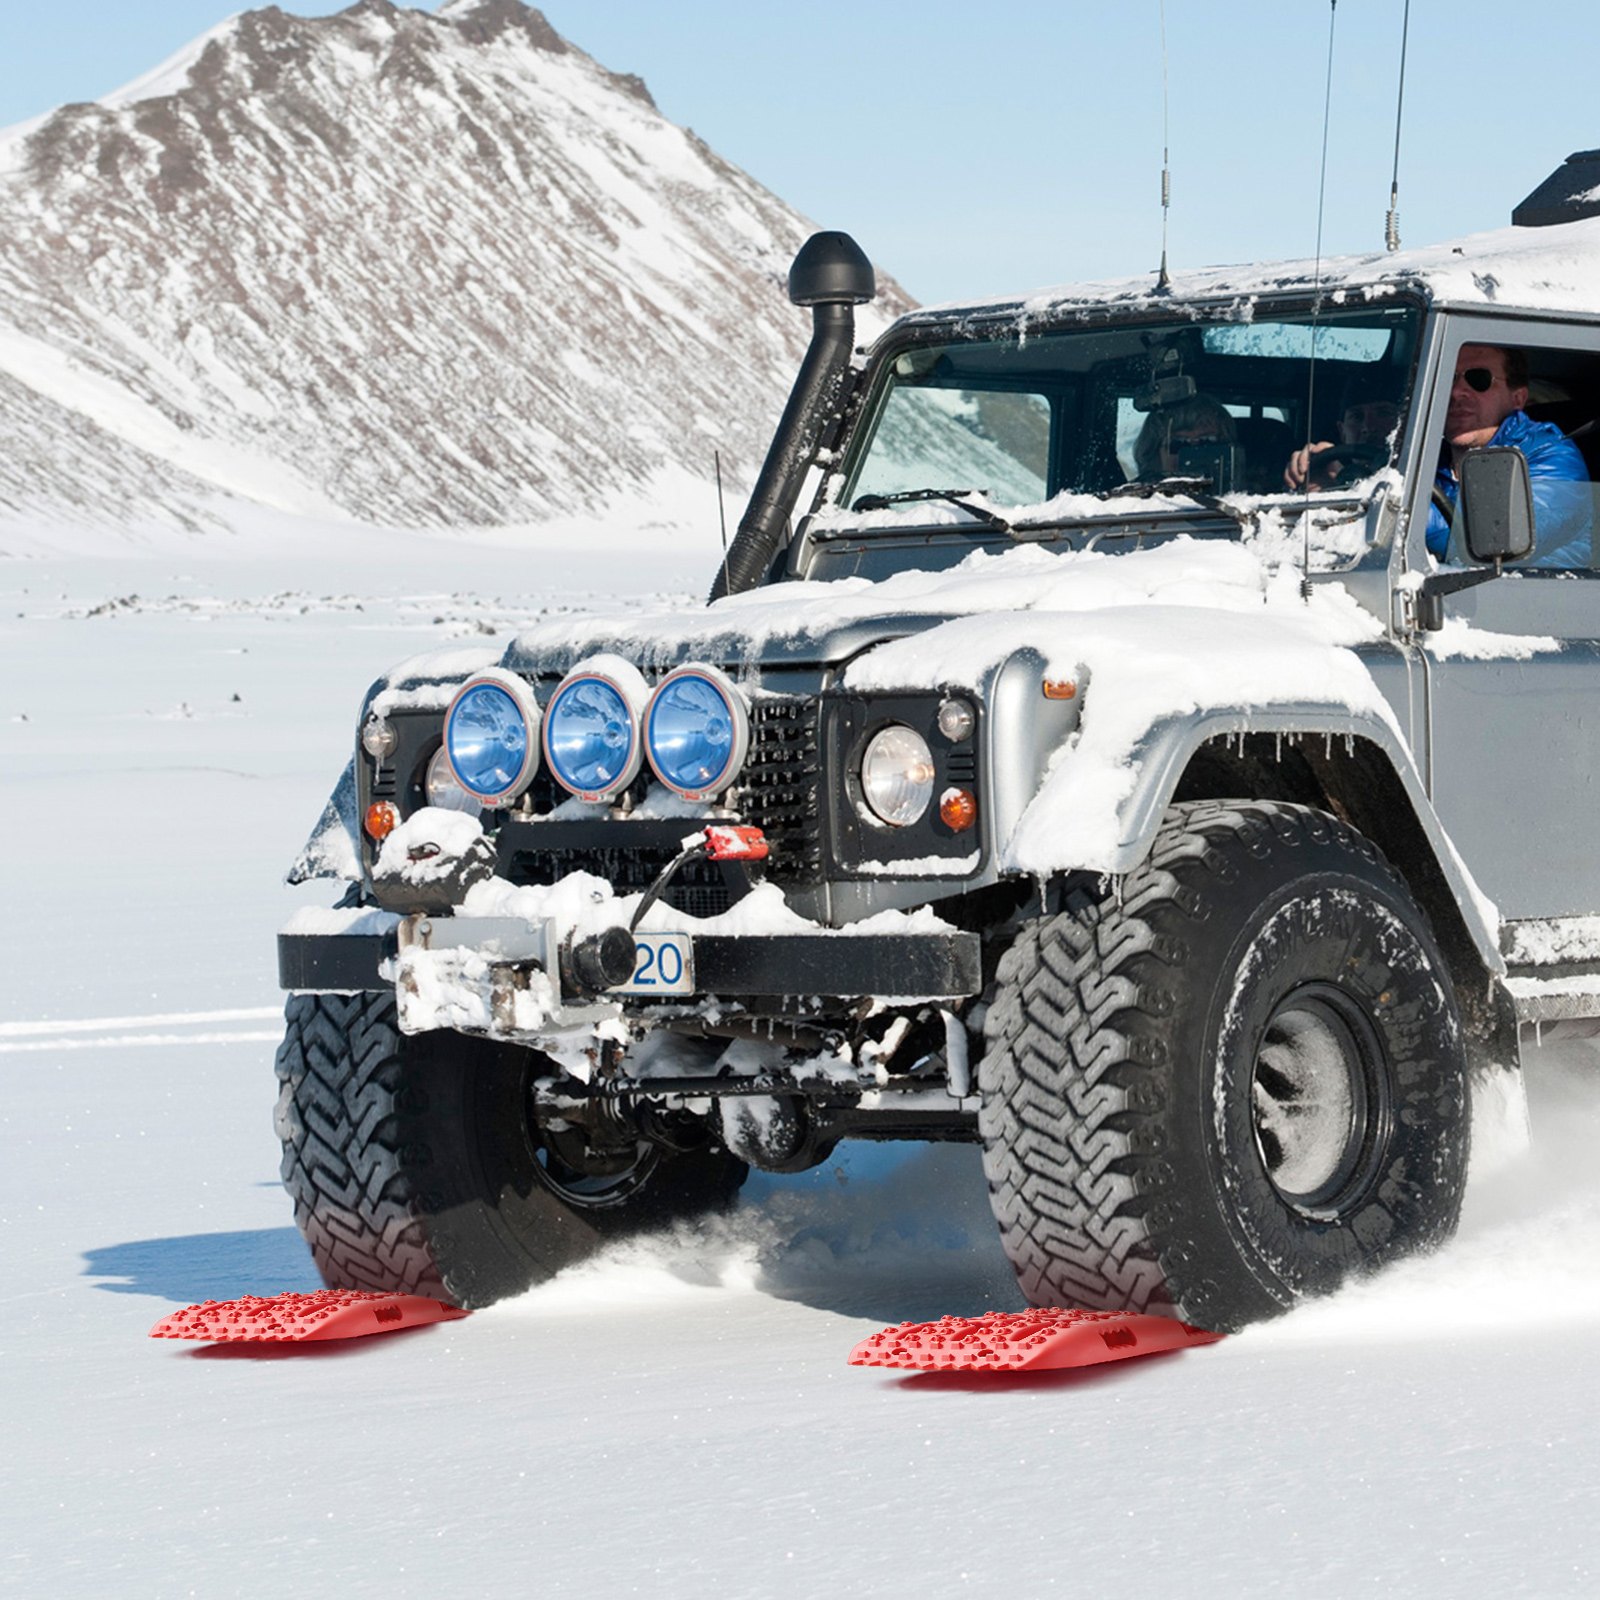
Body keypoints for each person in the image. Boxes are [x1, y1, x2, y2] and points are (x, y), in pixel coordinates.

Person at [1425, 344, 1590, 567]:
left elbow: (1498, 540)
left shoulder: (1553, 455)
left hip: (1532, 597)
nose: (1457, 392)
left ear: (1518, 398)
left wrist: (1401, 514)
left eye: (1479, 379)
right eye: (1449, 378)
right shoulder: (1425, 458)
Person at [1283, 374, 1401, 490]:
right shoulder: (1328, 473)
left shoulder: (1410, 482)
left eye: (1384, 413)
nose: (1368, 427)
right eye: (1357, 417)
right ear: (1342, 431)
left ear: (1401, 424)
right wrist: (1321, 488)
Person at [1132, 394, 1238, 482]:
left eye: (1207, 441)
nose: (1194, 453)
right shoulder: (1134, 503)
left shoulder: (1247, 501)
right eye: (1178, 444)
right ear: (1154, 455)